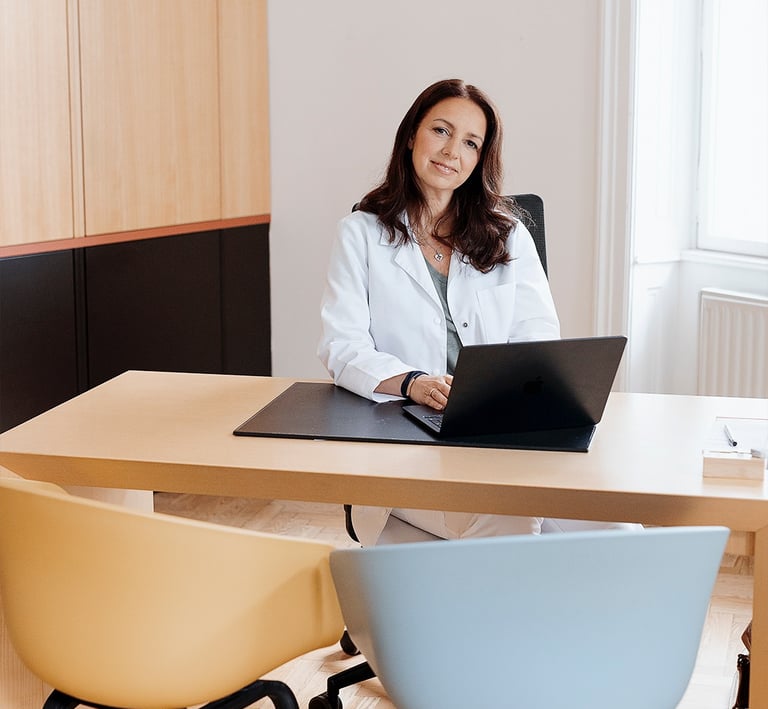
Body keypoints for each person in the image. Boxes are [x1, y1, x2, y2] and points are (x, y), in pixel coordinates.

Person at [318, 78, 639, 546]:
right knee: (512, 514)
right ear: (411, 135)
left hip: (502, 438)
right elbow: (341, 346)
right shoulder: (360, 234)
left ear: (481, 158)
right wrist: (414, 382)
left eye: (471, 142)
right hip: (409, 440)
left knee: (621, 532)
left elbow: (537, 341)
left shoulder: (508, 234)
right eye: (441, 131)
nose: (453, 151)